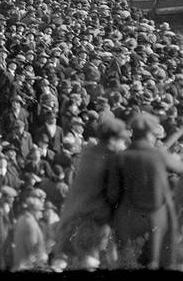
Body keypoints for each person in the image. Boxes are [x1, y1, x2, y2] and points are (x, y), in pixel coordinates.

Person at [106, 111, 183, 270]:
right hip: (155, 215)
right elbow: (182, 168)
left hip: (128, 214)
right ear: (150, 135)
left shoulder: (120, 157)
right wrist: (174, 159)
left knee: (126, 258)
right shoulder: (159, 154)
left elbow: (112, 193)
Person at [57, 111, 126, 269]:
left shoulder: (89, 153)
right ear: (113, 140)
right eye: (122, 140)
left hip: (72, 219)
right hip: (92, 223)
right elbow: (114, 195)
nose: (124, 144)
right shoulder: (111, 160)